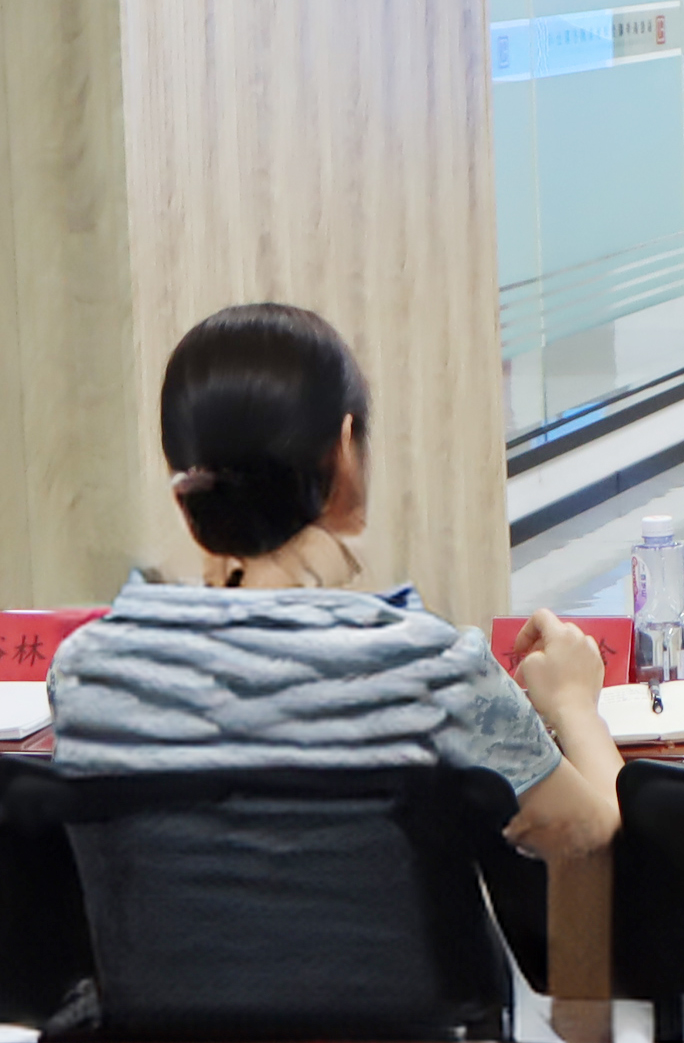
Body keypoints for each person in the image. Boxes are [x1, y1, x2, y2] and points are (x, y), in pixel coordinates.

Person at [51, 305, 623, 875]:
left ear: (182, 479)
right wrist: (575, 707)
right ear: (345, 451)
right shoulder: (432, 669)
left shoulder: (88, 676)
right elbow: (605, 852)